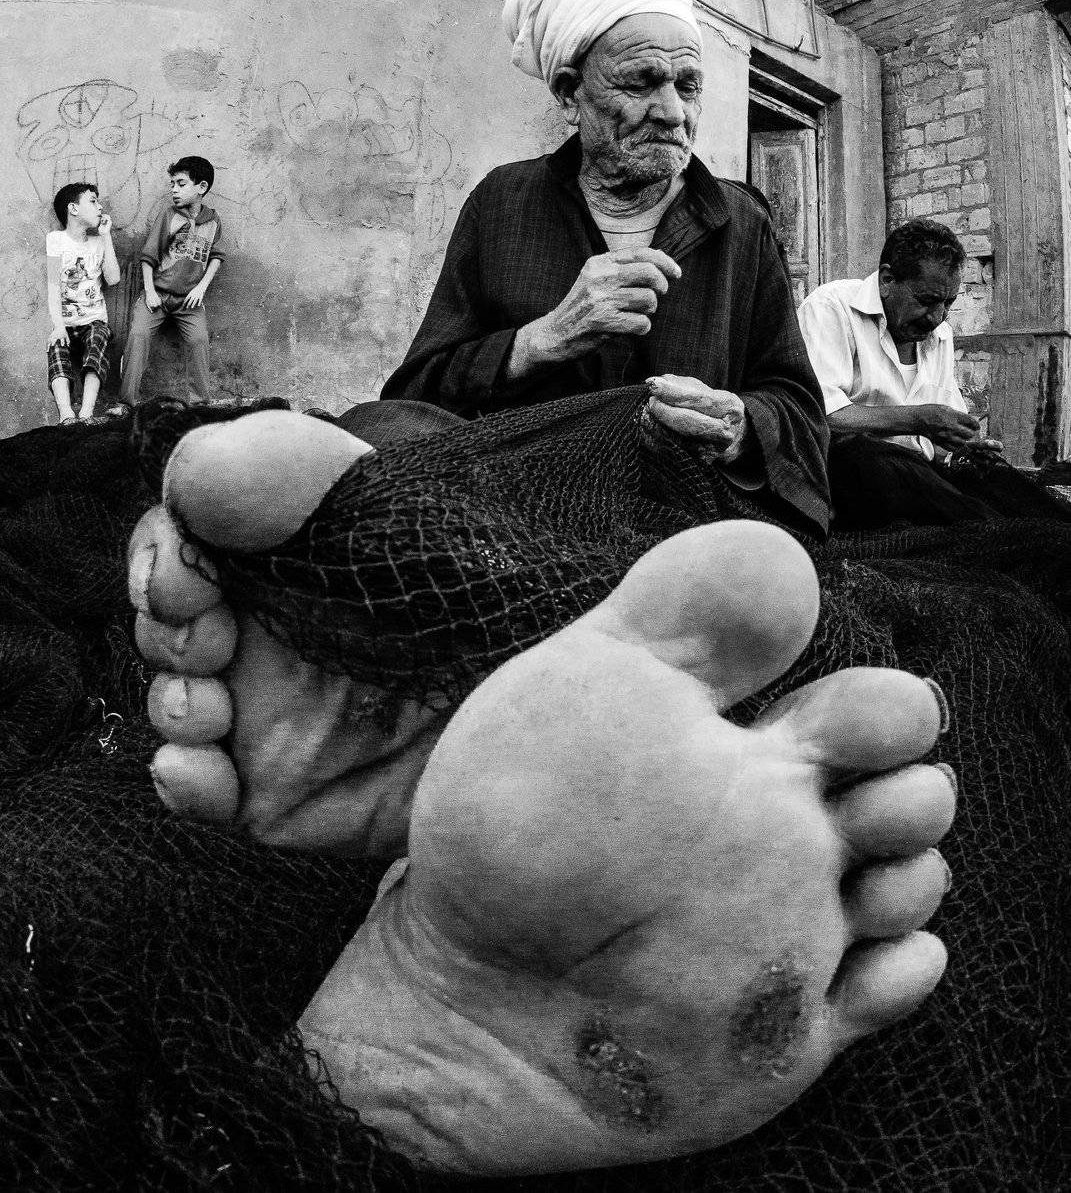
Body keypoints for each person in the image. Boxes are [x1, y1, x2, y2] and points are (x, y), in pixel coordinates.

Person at [127, 405, 954, 1177]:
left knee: (391, 473)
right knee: (405, 436)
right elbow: (449, 369)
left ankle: (393, 1032)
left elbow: (791, 399)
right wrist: (548, 342)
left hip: (595, 550)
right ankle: (434, 709)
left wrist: (744, 418)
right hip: (547, 505)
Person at [381, 0, 830, 537]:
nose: (672, 112)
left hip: (687, 521)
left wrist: (737, 424)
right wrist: (542, 340)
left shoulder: (741, 223)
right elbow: (415, 393)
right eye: (641, 83)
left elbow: (800, 408)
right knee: (369, 433)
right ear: (571, 94)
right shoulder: (502, 203)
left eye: (688, 86)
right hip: (520, 510)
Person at [797, 218, 1004, 529]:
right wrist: (919, 419)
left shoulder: (941, 336)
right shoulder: (832, 307)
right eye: (926, 301)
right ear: (887, 279)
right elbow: (816, 416)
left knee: (1006, 487)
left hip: (916, 478)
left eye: (948, 303)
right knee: (867, 457)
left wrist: (964, 448)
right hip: (849, 479)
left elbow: (942, 438)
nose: (937, 317)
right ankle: (994, 532)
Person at [118, 156, 225, 407]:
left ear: (201, 187)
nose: (174, 189)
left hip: (189, 301)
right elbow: (148, 257)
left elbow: (216, 256)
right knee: (138, 336)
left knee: (199, 341)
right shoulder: (168, 215)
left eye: (181, 184)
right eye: (172, 184)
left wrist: (201, 288)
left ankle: (200, 405)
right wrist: (149, 291)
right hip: (157, 294)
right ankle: (127, 403)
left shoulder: (213, 220)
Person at [45, 181, 120, 423]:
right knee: (56, 347)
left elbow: (113, 279)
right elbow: (53, 286)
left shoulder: (98, 243)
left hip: (94, 321)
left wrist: (106, 236)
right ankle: (66, 415)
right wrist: (58, 326)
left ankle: (87, 412)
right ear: (73, 209)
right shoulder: (56, 240)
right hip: (66, 323)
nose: (100, 207)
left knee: (99, 339)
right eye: (93, 201)